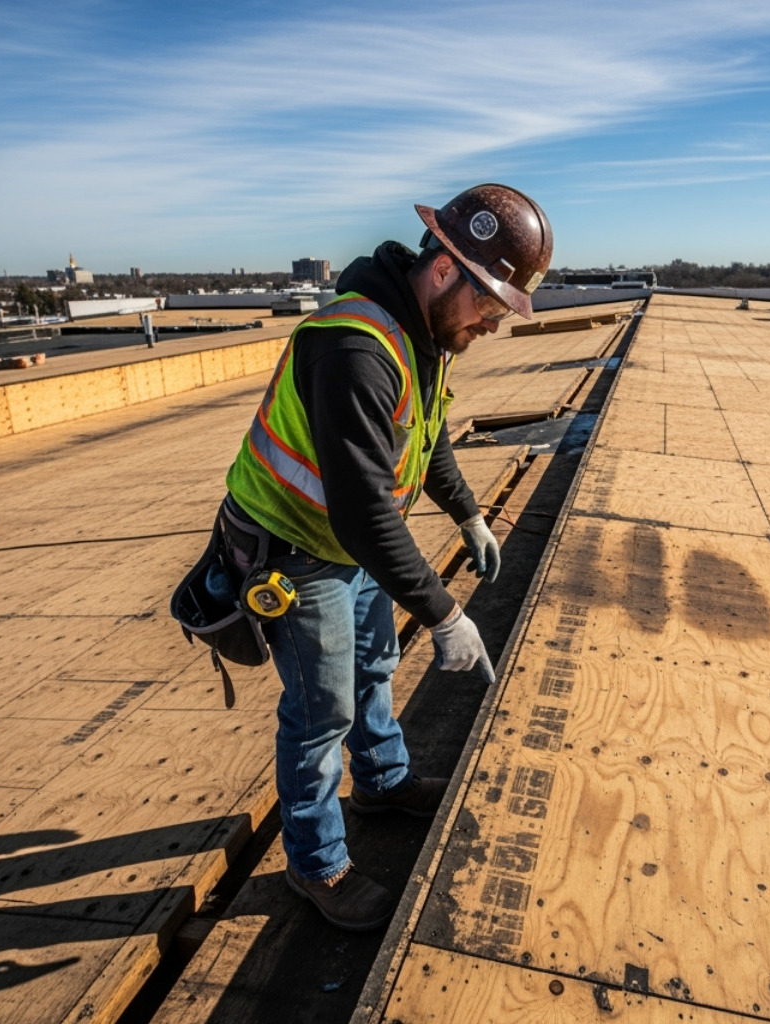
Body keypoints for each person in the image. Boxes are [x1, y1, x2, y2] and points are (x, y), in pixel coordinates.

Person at [217, 184, 553, 930]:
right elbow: (361, 508)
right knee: (320, 711)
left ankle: (382, 781)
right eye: (490, 306)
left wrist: (467, 513)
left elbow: (422, 438)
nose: (492, 324)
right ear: (444, 271)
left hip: (353, 539)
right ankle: (317, 864)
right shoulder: (354, 346)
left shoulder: (425, 337)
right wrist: (443, 611)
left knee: (372, 664)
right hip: (295, 543)